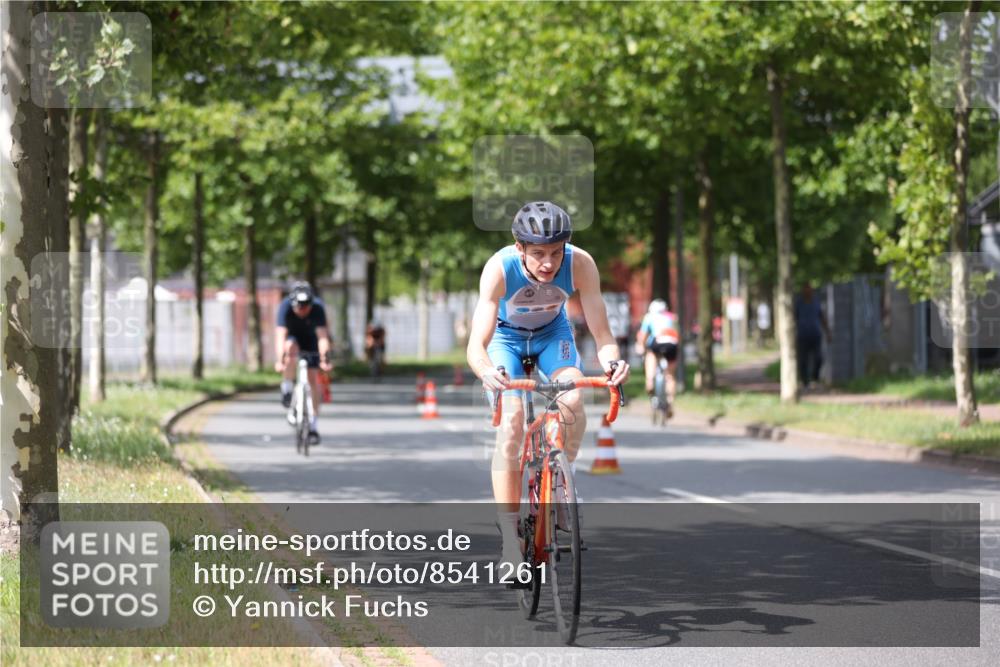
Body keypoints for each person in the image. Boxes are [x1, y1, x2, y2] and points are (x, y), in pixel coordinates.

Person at [466, 201, 630, 567]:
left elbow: (603, 335)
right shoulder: (500, 268)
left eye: (556, 253)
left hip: (552, 335)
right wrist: (486, 371)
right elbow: (477, 344)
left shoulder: (581, 264)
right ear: (519, 247)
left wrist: (613, 362)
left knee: (573, 400)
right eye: (538, 253)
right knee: (511, 425)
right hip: (505, 340)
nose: (548, 263)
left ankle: (560, 478)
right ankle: (510, 540)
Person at [274, 281, 333, 444]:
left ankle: (313, 426)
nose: (302, 310)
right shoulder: (285, 307)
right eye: (299, 307)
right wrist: (279, 361)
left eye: (306, 307)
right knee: (290, 348)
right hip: (292, 338)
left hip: (311, 339)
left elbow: (322, 337)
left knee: (313, 379)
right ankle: (287, 386)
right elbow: (280, 337)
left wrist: (324, 359)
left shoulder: (318, 308)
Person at [635, 298, 680, 416]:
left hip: (657, 342)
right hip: (672, 343)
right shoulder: (672, 317)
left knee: (650, 355)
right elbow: (678, 333)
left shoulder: (649, 317)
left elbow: (643, 335)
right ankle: (670, 402)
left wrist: (640, 346)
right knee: (670, 376)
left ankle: (650, 381)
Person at [794, 284, 831, 390]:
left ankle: (815, 378)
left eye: (809, 290)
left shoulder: (816, 302)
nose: (807, 292)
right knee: (803, 360)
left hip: (816, 335)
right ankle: (805, 382)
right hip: (802, 336)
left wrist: (828, 332)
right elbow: (794, 318)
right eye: (805, 290)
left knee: (819, 358)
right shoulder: (799, 303)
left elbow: (822, 317)